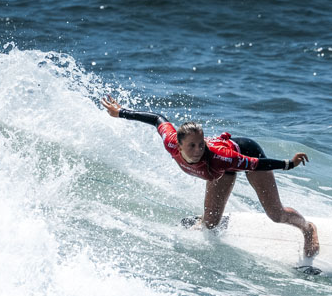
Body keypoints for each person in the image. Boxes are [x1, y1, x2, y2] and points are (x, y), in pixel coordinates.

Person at [101, 95, 320, 258]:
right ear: (178, 145)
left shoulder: (219, 157)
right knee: (211, 224)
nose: (198, 150)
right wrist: (121, 112)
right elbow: (158, 119)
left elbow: (254, 163)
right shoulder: (171, 142)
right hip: (220, 171)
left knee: (276, 214)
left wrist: (288, 163)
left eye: (201, 143)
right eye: (192, 145)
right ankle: (209, 217)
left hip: (246, 154)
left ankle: (307, 228)